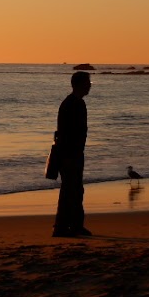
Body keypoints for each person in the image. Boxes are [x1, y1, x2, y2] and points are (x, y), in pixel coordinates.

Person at [52, 71, 91, 237]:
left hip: (71, 152)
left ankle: (72, 225)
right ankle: (65, 227)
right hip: (70, 153)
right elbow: (68, 132)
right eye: (87, 82)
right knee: (71, 189)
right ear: (79, 84)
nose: (90, 85)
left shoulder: (73, 102)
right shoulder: (73, 103)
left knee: (74, 189)